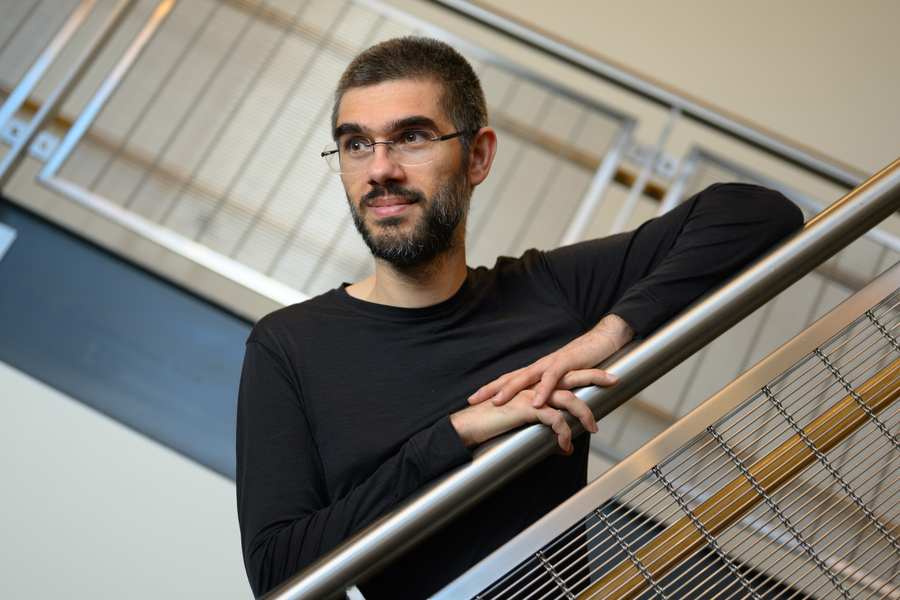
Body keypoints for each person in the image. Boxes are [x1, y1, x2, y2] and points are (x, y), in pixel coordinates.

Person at [236, 36, 803, 599]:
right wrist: (458, 435)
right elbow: (278, 572)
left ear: (478, 156)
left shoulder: (547, 293)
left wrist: (604, 336)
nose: (380, 169)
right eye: (357, 144)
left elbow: (760, 213)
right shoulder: (289, 346)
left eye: (412, 137)